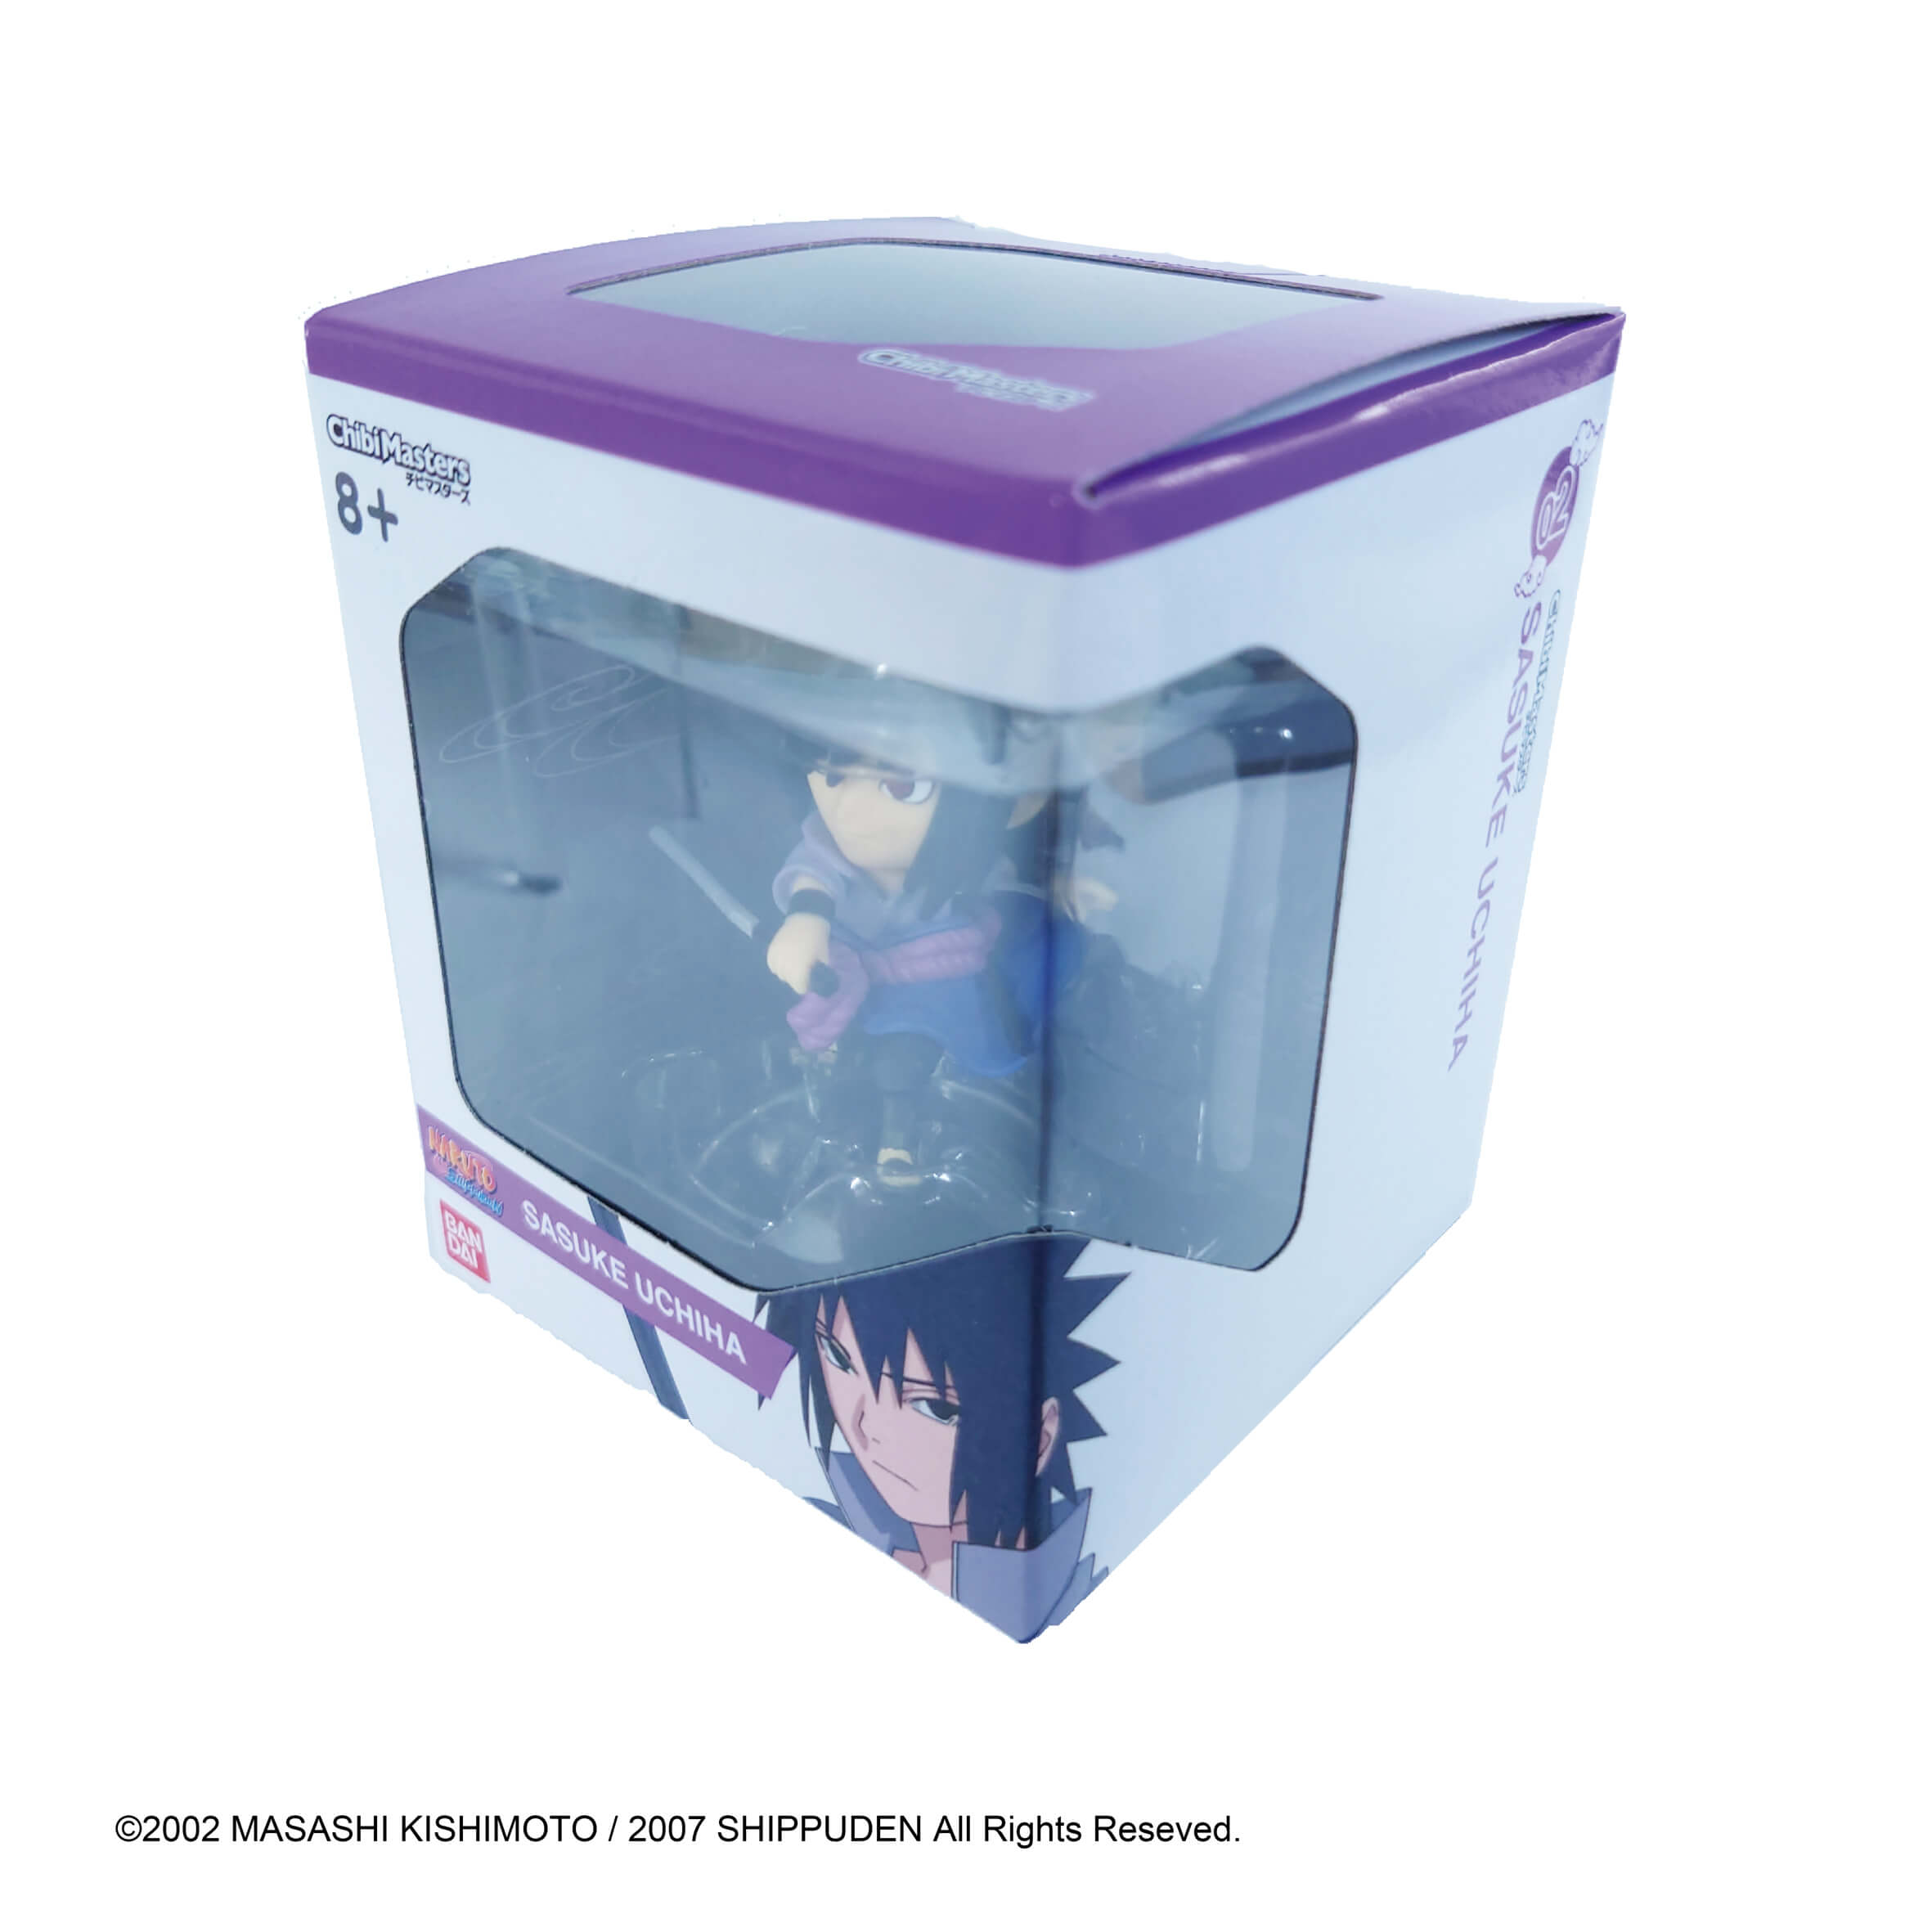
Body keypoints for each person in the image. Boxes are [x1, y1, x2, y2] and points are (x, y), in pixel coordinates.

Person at [759, 1235, 1123, 1640]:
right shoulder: (822, 1524)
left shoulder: (1062, 1608)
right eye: (838, 1357)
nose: (864, 1425)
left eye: (934, 1408)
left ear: (1039, 1438)